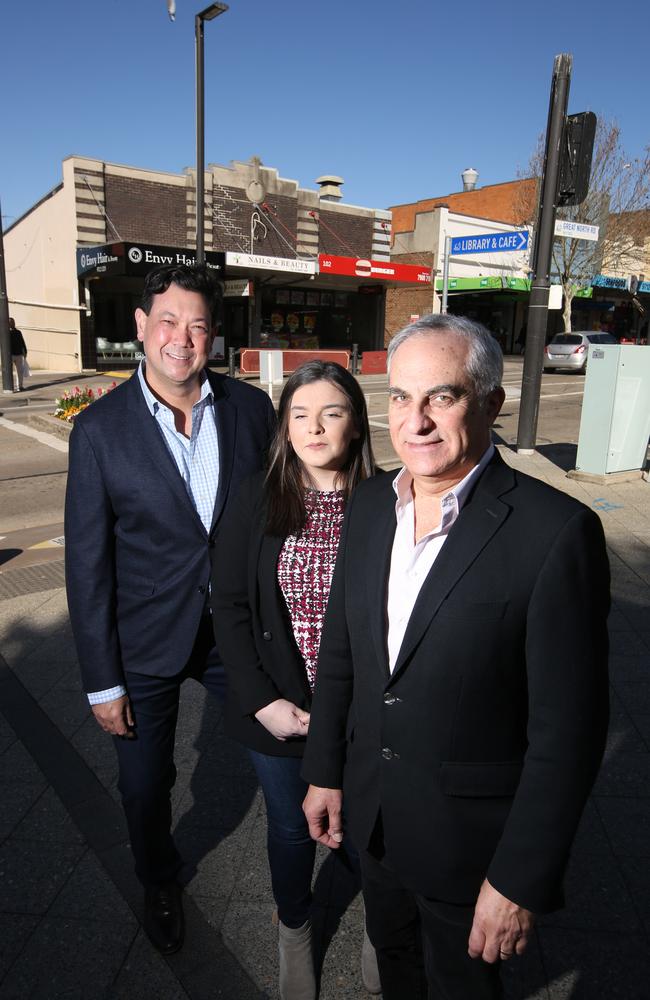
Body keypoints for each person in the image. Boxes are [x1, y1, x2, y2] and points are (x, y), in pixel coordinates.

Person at [302, 313, 610, 1000]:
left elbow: (569, 733)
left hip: (472, 850)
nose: (416, 422)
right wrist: (325, 770)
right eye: (401, 399)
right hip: (375, 822)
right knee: (397, 970)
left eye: (442, 397)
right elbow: (343, 655)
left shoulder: (556, 535)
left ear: (491, 404)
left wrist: (519, 879)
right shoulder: (370, 509)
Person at [65, 263, 276, 956]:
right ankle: (159, 878)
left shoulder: (250, 411)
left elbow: (283, 518)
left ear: (214, 336)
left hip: (236, 639)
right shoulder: (98, 431)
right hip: (145, 643)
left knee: (289, 752)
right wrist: (103, 681)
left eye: (197, 325)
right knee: (144, 784)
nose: (181, 339)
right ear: (139, 326)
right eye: (167, 321)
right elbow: (87, 567)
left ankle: (308, 858)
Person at [211, 361, 378, 1000]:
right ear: (284, 425)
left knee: (364, 826)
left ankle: (381, 926)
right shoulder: (256, 495)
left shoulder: (388, 501)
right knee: (289, 830)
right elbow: (228, 605)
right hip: (280, 710)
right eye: (300, 414)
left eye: (331, 412)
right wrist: (262, 703)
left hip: (361, 711)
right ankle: (294, 930)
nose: (314, 427)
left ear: (357, 423)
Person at [9, 318, 28, 391]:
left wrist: (25, 352)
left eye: (13, 322)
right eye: (11, 322)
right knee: (9, 372)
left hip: (19, 354)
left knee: (20, 371)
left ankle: (20, 386)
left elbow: (22, 342)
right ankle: (10, 387)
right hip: (10, 355)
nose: (13, 323)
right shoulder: (6, 333)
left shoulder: (18, 332)